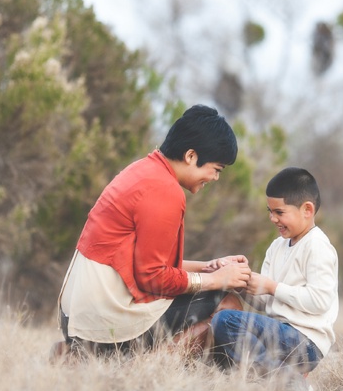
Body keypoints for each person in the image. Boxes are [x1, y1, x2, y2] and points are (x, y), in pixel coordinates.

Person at [51, 105, 252, 361]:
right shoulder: (164, 190)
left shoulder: (143, 170)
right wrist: (217, 281)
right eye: (216, 169)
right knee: (227, 305)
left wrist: (209, 268)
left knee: (215, 296)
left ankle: (81, 353)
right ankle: (129, 364)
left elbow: (143, 266)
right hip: (102, 322)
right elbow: (153, 278)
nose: (215, 178)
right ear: (191, 156)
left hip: (78, 319)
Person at [209, 167, 339, 391]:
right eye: (269, 211)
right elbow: (268, 304)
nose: (272, 219)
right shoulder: (277, 246)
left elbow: (320, 301)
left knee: (226, 321)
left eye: (279, 212)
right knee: (220, 325)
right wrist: (242, 285)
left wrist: (271, 286)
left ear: (307, 209)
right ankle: (280, 378)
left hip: (305, 343)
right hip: (278, 335)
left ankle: (289, 382)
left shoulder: (317, 246)